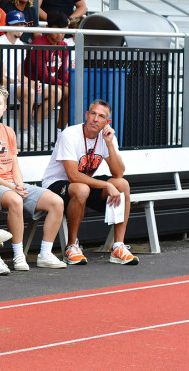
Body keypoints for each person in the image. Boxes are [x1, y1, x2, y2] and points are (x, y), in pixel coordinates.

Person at [0, 85, 68, 270]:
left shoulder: (9, 131)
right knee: (16, 200)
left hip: (12, 183)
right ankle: (19, 256)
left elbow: (14, 163)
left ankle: (45, 253)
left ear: (5, 107)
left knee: (56, 202)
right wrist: (11, 187)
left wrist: (18, 183)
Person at [42, 100, 139, 266]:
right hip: (56, 186)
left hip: (84, 187)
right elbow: (73, 175)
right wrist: (107, 185)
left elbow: (118, 173)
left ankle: (118, 247)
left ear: (107, 122)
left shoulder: (107, 138)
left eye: (101, 116)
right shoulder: (70, 134)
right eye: (93, 114)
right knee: (82, 189)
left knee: (122, 185)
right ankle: (71, 246)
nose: (95, 119)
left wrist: (109, 144)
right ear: (87, 116)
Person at [23, 11, 71, 130]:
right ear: (47, 28)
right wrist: (65, 84)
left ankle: (60, 131)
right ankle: (35, 127)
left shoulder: (63, 45)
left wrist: (72, 83)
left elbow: (62, 73)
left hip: (52, 83)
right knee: (67, 91)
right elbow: (42, 76)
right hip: (35, 83)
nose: (60, 34)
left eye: (63, 31)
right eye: (57, 30)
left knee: (73, 92)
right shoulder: (38, 44)